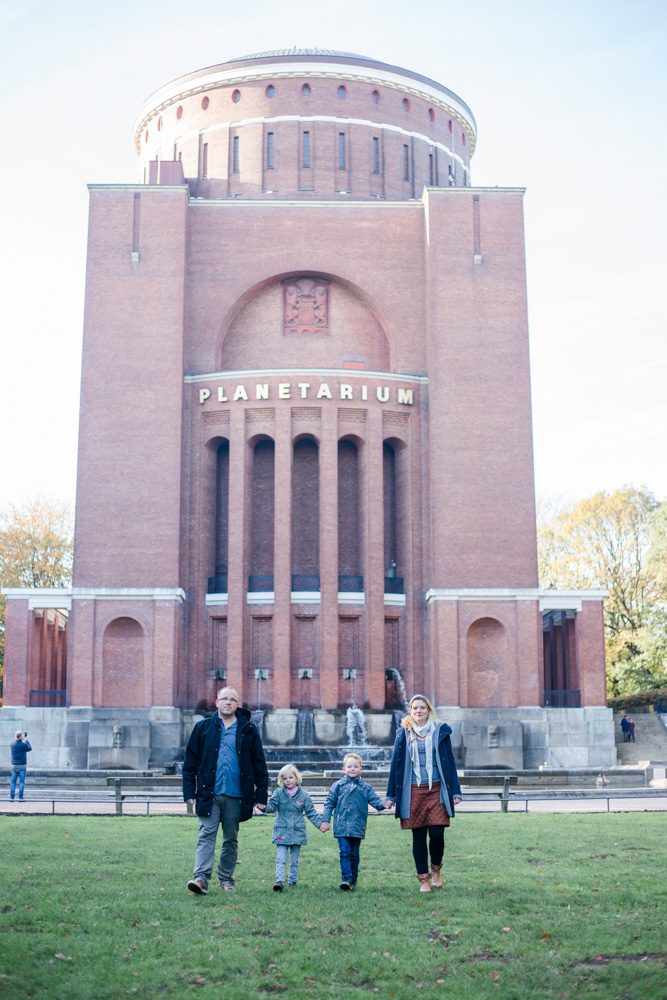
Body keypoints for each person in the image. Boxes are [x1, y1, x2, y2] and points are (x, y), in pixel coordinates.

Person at [183, 686, 268, 894]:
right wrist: (189, 793)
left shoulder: (248, 729)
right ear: (217, 703)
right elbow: (190, 763)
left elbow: (259, 764)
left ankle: (226, 879)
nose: (228, 702)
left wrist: (261, 795)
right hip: (209, 793)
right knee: (206, 835)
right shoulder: (203, 728)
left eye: (232, 699)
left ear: (237, 704)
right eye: (224, 698)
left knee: (230, 838)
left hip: (237, 795)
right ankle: (201, 879)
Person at [387, 694, 462, 893]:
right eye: (415, 708)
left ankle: (436, 869)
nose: (419, 711)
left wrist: (455, 790)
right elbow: (396, 765)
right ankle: (423, 880)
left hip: (437, 788)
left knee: (437, 832)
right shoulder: (403, 733)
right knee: (418, 834)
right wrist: (391, 795)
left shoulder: (440, 731)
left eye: (422, 708)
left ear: (428, 710)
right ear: (410, 712)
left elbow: (450, 762)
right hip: (413, 791)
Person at [320, 753, 392, 890]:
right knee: (344, 851)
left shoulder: (366, 788)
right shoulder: (338, 786)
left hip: (357, 826)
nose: (352, 769)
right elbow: (329, 803)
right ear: (344, 769)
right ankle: (346, 878)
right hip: (341, 825)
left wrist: (385, 804)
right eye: (349, 766)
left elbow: (376, 802)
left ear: (361, 769)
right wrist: (325, 820)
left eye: (355, 766)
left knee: (354, 854)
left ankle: (353, 878)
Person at [265, 763, 325, 890]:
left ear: (296, 778)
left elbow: (311, 813)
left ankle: (292, 881)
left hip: (297, 831)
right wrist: (264, 807)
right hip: (281, 830)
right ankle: (279, 881)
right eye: (285, 778)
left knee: (294, 860)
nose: (288, 781)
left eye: (290, 778)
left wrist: (320, 824)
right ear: (282, 780)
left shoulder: (304, 795)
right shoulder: (278, 793)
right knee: (280, 858)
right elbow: (272, 806)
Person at [10, 730, 32, 801]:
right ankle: (20, 797)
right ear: (20, 737)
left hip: (14, 766)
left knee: (13, 782)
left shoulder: (12, 744)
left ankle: (12, 797)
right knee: (21, 782)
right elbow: (29, 748)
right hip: (22, 766)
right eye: (22, 735)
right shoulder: (24, 745)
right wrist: (27, 740)